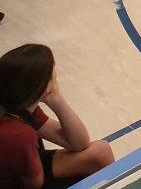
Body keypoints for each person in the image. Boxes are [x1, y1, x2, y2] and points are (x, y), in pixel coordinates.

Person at [0, 44, 115, 187]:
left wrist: (55, 98)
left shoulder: (15, 104)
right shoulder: (19, 134)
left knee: (101, 152)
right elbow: (35, 184)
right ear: (45, 85)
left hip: (17, 165)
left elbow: (79, 143)